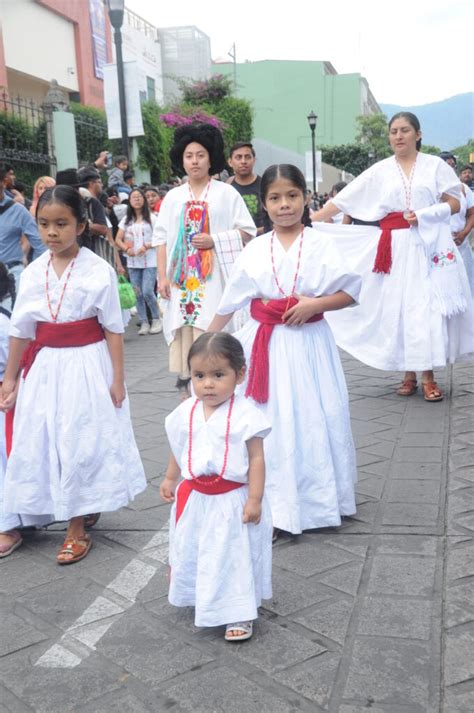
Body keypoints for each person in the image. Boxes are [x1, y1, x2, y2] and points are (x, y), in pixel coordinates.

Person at [208, 164, 361, 537]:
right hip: (267, 345)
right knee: (272, 421)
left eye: (292, 196)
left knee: (312, 416)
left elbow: (350, 292)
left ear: (306, 198)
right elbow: (231, 302)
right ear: (264, 204)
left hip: (309, 344)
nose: (285, 205)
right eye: (275, 198)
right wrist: (206, 345)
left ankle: (318, 501)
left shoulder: (323, 243)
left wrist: (315, 305)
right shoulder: (257, 249)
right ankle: (274, 503)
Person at [0, 185, 146, 563]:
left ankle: (77, 525)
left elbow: (112, 328)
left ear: (81, 225)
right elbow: (21, 329)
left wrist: (117, 378)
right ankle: (69, 504)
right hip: (46, 366)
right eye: (44, 224)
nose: (52, 232)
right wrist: (12, 377)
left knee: (80, 438)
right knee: (49, 438)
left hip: (86, 362)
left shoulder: (97, 271)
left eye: (61, 224)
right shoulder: (32, 273)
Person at [312, 112, 473, 402]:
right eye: (393, 131)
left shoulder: (435, 166)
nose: (398, 136)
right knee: (399, 306)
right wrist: (311, 219)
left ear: (418, 134)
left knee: (424, 306)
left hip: (427, 245)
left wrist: (425, 214)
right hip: (393, 247)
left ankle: (427, 376)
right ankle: (408, 373)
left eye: (405, 130)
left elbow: (454, 202)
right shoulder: (380, 170)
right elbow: (345, 199)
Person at [160, 332, 272, 640]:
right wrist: (171, 477)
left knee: (233, 555)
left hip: (231, 499)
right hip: (197, 497)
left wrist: (255, 498)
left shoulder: (247, 415)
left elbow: (257, 460)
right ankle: (206, 597)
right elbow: (178, 446)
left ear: (240, 375)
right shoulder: (186, 411)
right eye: (199, 375)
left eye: (218, 375)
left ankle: (239, 612)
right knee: (200, 549)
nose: (208, 384)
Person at [153, 123, 256, 394]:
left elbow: (247, 231)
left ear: (211, 158)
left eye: (200, 155)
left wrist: (215, 240)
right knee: (185, 334)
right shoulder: (173, 198)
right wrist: (161, 276)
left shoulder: (226, 193)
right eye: (189, 156)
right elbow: (161, 239)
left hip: (214, 280)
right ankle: (189, 395)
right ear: (181, 160)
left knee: (213, 332)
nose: (195, 161)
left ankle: (221, 391)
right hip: (181, 282)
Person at [115, 188, 162, 335]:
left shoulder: (152, 218)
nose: (136, 199)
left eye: (139, 196)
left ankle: (156, 318)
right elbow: (117, 238)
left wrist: (146, 246)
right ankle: (144, 321)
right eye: (133, 197)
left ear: (144, 199)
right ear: (129, 200)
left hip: (150, 260)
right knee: (137, 293)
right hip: (133, 262)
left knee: (148, 290)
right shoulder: (126, 220)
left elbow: (159, 238)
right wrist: (125, 248)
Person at [0, 164, 46, 297]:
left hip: (11, 276)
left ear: (3, 182)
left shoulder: (18, 211)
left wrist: (40, 273)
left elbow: (40, 245)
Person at [440, 154, 474, 292]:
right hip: (439, 247)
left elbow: (472, 214)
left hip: (462, 245)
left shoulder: (463, 189)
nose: (449, 168)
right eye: (445, 165)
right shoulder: (431, 189)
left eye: (452, 165)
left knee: (465, 284)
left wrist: (464, 233)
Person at [227, 142, 264, 235]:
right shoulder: (227, 187)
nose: (243, 161)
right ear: (230, 162)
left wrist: (251, 233)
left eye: (247, 157)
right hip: (235, 242)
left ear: (254, 160)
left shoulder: (265, 185)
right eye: (238, 157)